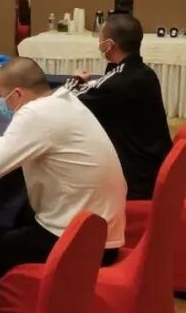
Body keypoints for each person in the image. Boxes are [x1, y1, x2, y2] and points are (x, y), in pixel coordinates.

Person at [0, 57, 127, 277]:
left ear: (17, 94)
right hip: (100, 234)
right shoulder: (61, 102)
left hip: (83, 244)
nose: (0, 101)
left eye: (0, 95)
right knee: (16, 219)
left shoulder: (34, 114)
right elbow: (21, 142)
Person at [66, 14, 172, 200]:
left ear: (109, 44)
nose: (98, 42)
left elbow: (67, 101)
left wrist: (75, 79)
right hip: (154, 167)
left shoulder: (118, 83)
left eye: (100, 37)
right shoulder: (146, 73)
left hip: (135, 180)